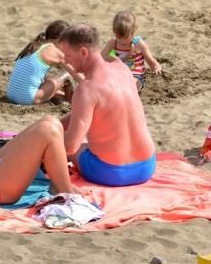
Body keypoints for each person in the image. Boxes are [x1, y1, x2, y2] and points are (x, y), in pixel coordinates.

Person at [58, 23, 156, 187]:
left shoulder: (86, 89)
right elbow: (95, 111)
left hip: (110, 172)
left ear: (83, 52)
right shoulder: (123, 69)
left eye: (68, 55)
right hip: (146, 166)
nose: (66, 61)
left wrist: (50, 134)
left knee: (60, 142)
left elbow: (70, 147)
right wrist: (58, 124)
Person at [6, 20, 73, 105]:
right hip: (26, 99)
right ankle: (71, 102)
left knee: (48, 82)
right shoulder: (52, 50)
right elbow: (74, 71)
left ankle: (61, 100)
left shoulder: (35, 45)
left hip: (11, 95)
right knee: (67, 75)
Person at [101, 11, 162, 92]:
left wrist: (155, 66)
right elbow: (102, 56)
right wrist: (114, 59)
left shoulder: (139, 44)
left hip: (135, 75)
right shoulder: (113, 42)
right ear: (114, 32)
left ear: (133, 33)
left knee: (132, 85)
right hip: (118, 73)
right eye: (118, 37)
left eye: (125, 38)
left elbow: (150, 59)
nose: (122, 41)